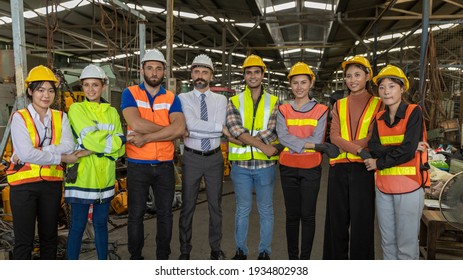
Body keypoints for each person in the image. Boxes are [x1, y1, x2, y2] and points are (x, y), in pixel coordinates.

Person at [6, 65, 77, 259]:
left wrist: (35, 151)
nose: (46, 95)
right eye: (40, 90)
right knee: (24, 241)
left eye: (50, 90)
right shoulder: (19, 117)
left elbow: (69, 146)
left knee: (49, 238)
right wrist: (60, 157)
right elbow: (27, 155)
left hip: (51, 185)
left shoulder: (60, 117)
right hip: (23, 187)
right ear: (30, 91)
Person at [121, 49, 185, 260]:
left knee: (165, 215)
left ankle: (162, 259)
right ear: (142, 70)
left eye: (158, 68)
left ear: (164, 71)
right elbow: (136, 123)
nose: (154, 72)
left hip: (165, 165)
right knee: (135, 215)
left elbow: (179, 129)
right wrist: (169, 129)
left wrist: (148, 137)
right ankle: (136, 258)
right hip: (138, 165)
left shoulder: (171, 97)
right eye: (149, 68)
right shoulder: (130, 93)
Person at [364, 65, 430, 260]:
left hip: (409, 187)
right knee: (388, 243)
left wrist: (378, 162)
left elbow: (407, 151)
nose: (386, 91)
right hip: (384, 187)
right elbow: (375, 148)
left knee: (407, 245)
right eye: (382, 87)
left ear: (402, 89)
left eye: (391, 86)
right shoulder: (379, 118)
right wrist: (402, 148)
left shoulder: (413, 112)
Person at [276, 62, 337, 260]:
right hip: (288, 168)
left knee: (308, 216)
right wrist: (308, 145)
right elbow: (282, 136)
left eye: (303, 82)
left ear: (311, 83)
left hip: (311, 168)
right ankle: (293, 260)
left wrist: (305, 144)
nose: (299, 87)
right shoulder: (283, 109)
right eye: (295, 83)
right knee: (292, 216)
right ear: (290, 85)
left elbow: (318, 139)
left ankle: (305, 260)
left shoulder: (320, 110)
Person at [323, 55, 382, 260]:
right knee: (336, 222)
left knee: (362, 223)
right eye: (348, 76)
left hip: (364, 169)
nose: (352, 79)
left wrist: (353, 149)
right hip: (338, 168)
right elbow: (334, 136)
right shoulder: (338, 104)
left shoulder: (379, 103)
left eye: (357, 75)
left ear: (367, 76)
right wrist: (357, 150)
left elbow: (374, 136)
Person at [64, 64, 126, 260]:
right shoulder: (76, 109)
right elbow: (92, 139)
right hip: (83, 177)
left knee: (100, 224)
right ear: (81, 87)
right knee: (78, 226)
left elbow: (121, 148)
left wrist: (97, 148)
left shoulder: (112, 112)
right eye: (86, 85)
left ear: (103, 86)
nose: (91, 89)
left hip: (105, 178)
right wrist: (110, 145)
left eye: (95, 85)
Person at [225, 54, 279, 260]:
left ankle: (264, 251)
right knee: (242, 210)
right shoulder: (234, 100)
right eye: (249, 72)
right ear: (244, 75)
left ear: (263, 74)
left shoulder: (274, 101)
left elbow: (273, 130)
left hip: (265, 166)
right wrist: (260, 145)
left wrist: (245, 138)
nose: (253, 76)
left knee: (266, 210)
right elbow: (234, 127)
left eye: (257, 72)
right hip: (241, 166)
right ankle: (241, 250)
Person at [178, 54, 228, 260]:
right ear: (191, 74)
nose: (200, 76)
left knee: (215, 206)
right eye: (197, 72)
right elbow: (190, 124)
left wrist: (196, 129)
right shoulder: (182, 98)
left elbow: (195, 128)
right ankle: (184, 251)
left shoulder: (221, 100)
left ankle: (215, 249)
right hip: (191, 158)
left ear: (211, 75)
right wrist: (219, 129)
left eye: (205, 72)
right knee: (187, 205)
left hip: (215, 158)